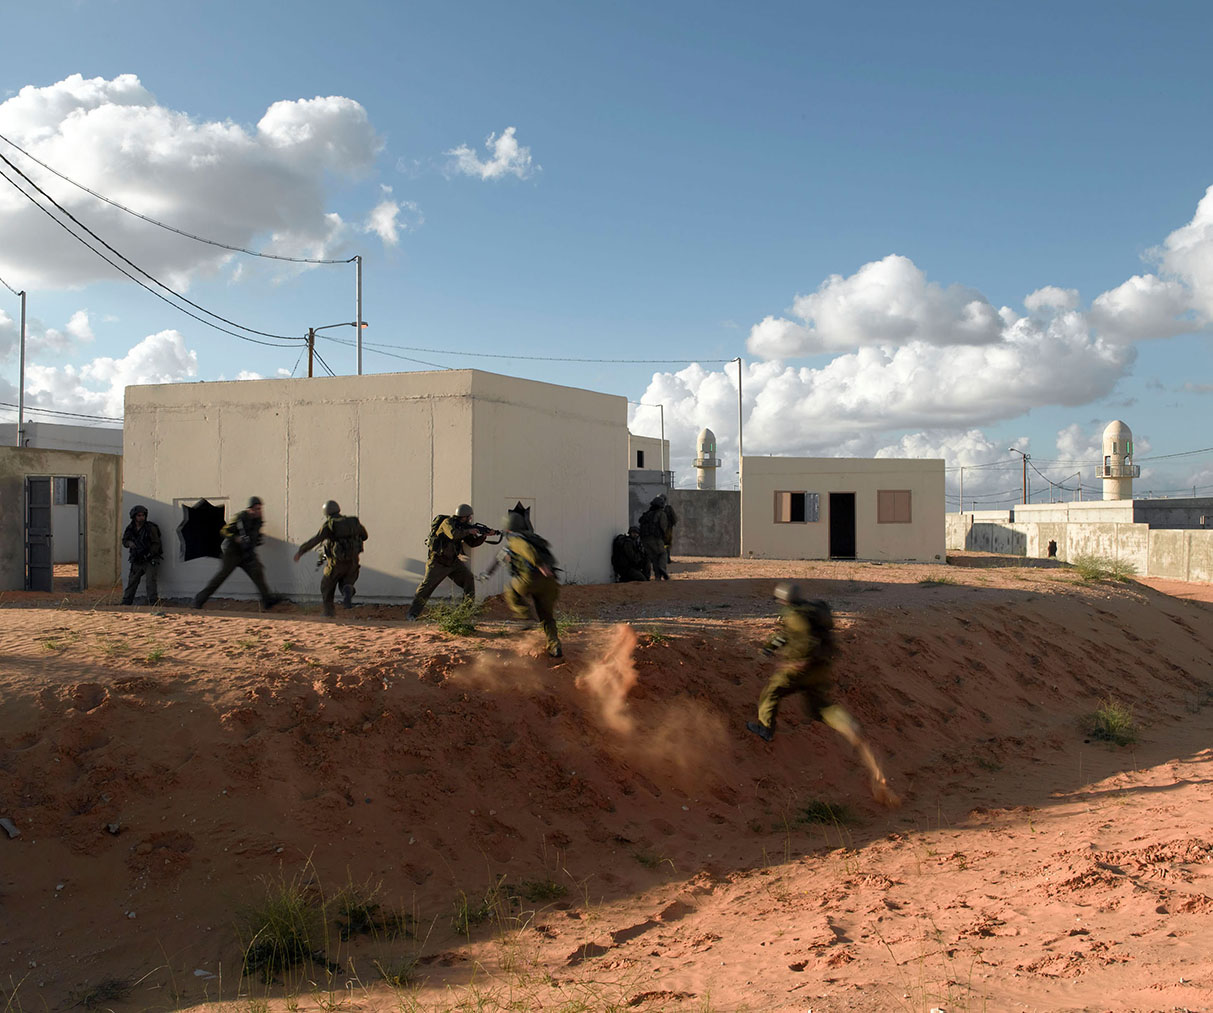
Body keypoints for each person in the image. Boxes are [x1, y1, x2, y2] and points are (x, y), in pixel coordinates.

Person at [746, 582, 899, 807]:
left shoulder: (793, 615)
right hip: (821, 667)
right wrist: (773, 647)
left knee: (772, 691)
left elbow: (792, 636)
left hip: (801, 667)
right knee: (820, 706)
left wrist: (787, 656)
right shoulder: (815, 611)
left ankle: (766, 728)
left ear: (783, 600)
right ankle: (848, 725)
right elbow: (792, 636)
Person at [480, 512, 563, 657]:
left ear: (508, 529)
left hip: (530, 579)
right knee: (547, 617)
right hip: (550, 583)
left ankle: (526, 616)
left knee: (510, 590)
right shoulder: (535, 539)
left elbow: (523, 551)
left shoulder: (516, 541)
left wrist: (487, 574)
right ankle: (554, 646)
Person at [406, 503, 497, 620]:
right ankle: (412, 614)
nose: (470, 519)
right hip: (438, 563)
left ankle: (467, 612)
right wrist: (469, 531)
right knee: (425, 588)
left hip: (453, 562)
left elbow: (472, 543)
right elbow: (453, 535)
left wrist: (484, 536)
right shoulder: (447, 523)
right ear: (463, 516)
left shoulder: (464, 527)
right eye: (468, 517)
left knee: (468, 579)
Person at [193, 496, 282, 610]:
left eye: (260, 509)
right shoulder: (240, 517)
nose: (259, 511)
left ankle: (267, 600)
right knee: (221, 576)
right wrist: (236, 538)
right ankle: (199, 599)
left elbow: (255, 534)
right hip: (233, 552)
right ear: (250, 509)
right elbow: (224, 531)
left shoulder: (258, 520)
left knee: (258, 572)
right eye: (256, 509)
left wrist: (257, 539)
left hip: (248, 552)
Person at [292, 500, 368, 617]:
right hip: (353, 562)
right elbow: (365, 536)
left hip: (336, 563)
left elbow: (316, 540)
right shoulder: (353, 522)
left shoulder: (329, 525)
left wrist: (301, 551)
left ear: (326, 513)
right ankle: (348, 590)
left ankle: (329, 612)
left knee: (326, 585)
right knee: (346, 583)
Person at [121, 505, 163, 605]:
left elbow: (156, 543)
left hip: (150, 559)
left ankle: (153, 603)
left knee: (150, 582)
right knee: (132, 581)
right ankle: (126, 602)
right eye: (139, 515)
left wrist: (149, 554)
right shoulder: (130, 528)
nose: (141, 517)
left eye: (143, 515)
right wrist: (129, 543)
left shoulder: (150, 528)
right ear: (134, 516)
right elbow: (124, 541)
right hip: (137, 558)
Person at [637, 495, 671, 580]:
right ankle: (662, 568)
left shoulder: (647, 514)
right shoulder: (661, 514)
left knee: (655, 558)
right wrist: (664, 537)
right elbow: (663, 527)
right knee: (663, 553)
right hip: (655, 539)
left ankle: (658, 577)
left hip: (644, 540)